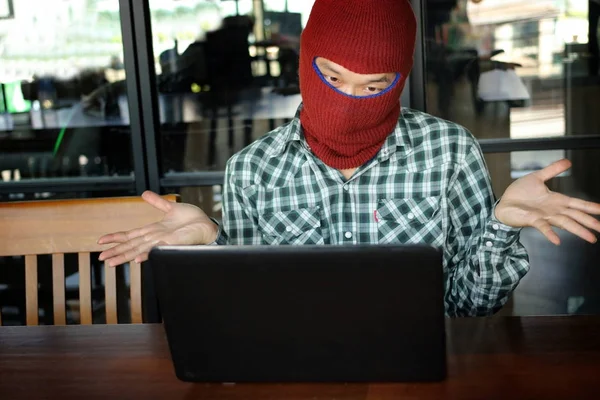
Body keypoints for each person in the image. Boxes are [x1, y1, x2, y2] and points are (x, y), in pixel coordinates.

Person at [98, 0, 600, 317]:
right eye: (332, 78)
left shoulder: (449, 151)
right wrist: (211, 242)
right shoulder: (252, 170)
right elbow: (250, 316)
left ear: (397, 83)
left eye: (374, 86)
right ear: (304, 63)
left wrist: (500, 225)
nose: (348, 100)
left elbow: (470, 309)